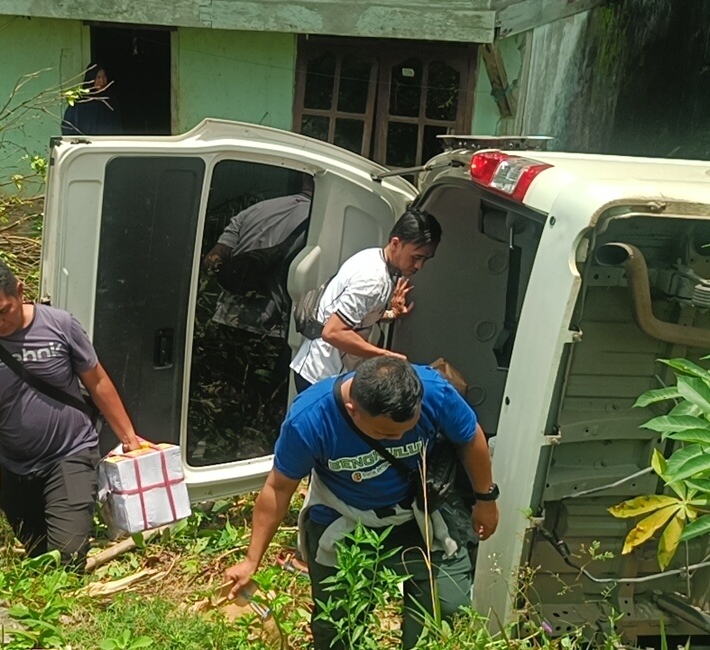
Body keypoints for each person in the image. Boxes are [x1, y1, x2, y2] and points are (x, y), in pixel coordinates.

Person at [224, 357, 499, 649]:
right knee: (338, 628)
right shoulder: (310, 419)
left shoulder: (434, 391)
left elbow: (470, 437)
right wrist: (251, 560)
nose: (401, 437)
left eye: (409, 427)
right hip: (344, 518)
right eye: (387, 433)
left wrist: (486, 499)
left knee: (447, 611)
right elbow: (278, 489)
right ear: (354, 411)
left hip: (416, 514)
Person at [0, 258, 143, 569]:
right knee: (39, 555)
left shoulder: (59, 324)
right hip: (15, 467)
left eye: (4, 311)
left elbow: (97, 382)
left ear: (19, 291)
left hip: (71, 453)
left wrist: (129, 437)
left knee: (67, 554)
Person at [290, 208, 441, 393]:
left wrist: (391, 313)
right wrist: (386, 356)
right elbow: (333, 332)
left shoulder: (376, 258)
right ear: (396, 243)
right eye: (416, 257)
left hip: (325, 373)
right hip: (322, 378)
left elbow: (359, 317)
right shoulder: (373, 280)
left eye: (425, 259)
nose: (419, 265)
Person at [202, 176, 314, 339]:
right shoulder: (320, 223)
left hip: (227, 319)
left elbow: (211, 263)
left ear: (304, 178)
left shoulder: (254, 210)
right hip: (270, 330)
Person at [61, 64, 123, 136]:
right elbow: (68, 127)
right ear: (91, 79)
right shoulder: (80, 102)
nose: (102, 81)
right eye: (98, 77)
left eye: (104, 77)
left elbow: (117, 127)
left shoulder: (110, 100)